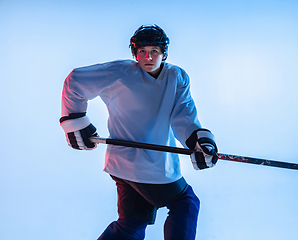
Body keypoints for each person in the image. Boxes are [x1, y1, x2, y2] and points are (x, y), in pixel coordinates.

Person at [59, 24, 218, 240]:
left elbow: (183, 116)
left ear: (164, 53)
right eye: (142, 51)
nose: (148, 57)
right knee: (185, 203)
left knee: (132, 222)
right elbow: (75, 81)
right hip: (149, 167)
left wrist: (199, 143)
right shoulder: (118, 72)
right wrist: (77, 123)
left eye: (154, 51)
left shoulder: (177, 77)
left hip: (122, 166)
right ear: (135, 54)